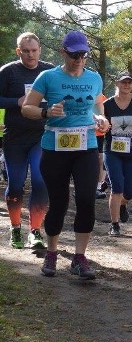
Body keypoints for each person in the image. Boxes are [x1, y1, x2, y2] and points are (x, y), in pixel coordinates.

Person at [22, 30, 109, 278]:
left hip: (86, 147)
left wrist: (101, 119)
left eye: (83, 54)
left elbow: (97, 107)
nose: (79, 59)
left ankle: (80, 258)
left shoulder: (94, 78)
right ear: (64, 52)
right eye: (74, 55)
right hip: (55, 148)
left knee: (86, 201)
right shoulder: (47, 77)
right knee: (59, 203)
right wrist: (46, 112)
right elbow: (27, 108)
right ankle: (51, 253)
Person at [0, 32, 54, 249]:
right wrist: (16, 101)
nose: (30, 55)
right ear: (18, 51)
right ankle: (15, 228)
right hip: (15, 138)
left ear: (40, 50)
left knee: (41, 182)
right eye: (26, 51)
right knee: (15, 185)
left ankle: (35, 231)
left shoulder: (49, 71)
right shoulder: (8, 71)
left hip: (41, 136)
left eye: (34, 50)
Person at [103, 72, 132, 236]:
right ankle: (114, 224)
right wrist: (103, 126)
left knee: (129, 191)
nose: (126, 85)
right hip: (112, 151)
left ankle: (122, 204)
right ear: (117, 83)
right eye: (123, 82)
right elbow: (101, 122)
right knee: (117, 187)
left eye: (129, 82)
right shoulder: (107, 104)